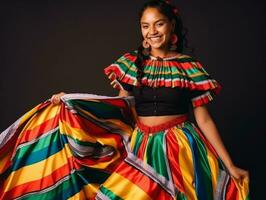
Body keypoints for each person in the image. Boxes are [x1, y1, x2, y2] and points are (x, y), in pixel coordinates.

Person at [1, 0, 249, 199]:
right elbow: (121, 108)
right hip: (141, 146)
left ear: (171, 26)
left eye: (159, 24)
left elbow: (204, 120)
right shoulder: (132, 64)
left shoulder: (189, 66)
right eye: (145, 26)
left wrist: (229, 165)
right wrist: (72, 102)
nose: (152, 31)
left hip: (181, 147)